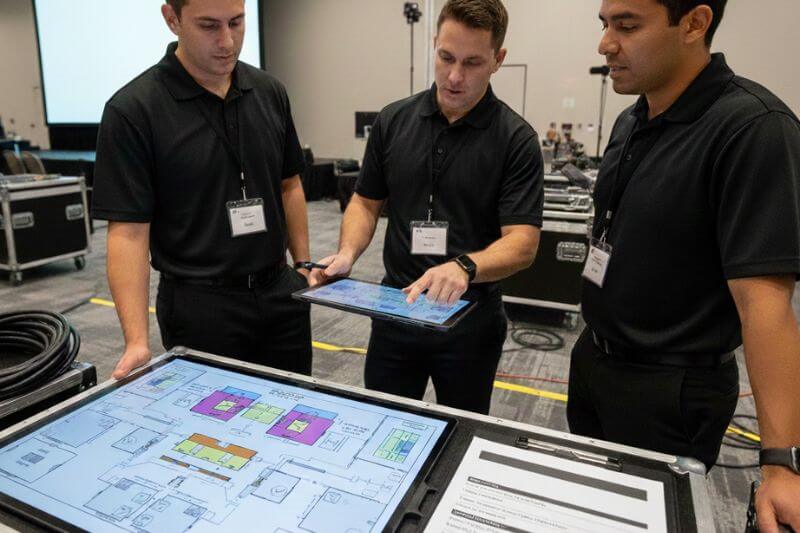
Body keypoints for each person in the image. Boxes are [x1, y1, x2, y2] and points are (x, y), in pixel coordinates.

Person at [571, 0, 800, 528]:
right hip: (595, 362)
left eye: (627, 26)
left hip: (669, 390)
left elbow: (765, 305)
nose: (606, 43)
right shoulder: (633, 118)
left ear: (695, 23)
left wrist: (782, 465)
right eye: (604, 25)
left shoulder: (753, 128)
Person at [310, 0, 543, 415]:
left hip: (469, 319)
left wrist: (464, 267)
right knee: (382, 427)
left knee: (459, 431)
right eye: (446, 57)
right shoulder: (393, 120)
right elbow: (365, 202)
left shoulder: (515, 139)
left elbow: (522, 243)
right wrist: (347, 252)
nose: (454, 76)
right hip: (397, 311)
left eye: (472, 62)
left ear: (498, 60)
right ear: (434, 44)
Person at [93, 0, 314, 380]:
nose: (227, 41)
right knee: (217, 434)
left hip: (280, 294)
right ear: (172, 19)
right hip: (201, 307)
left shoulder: (269, 91)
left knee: (293, 419)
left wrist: (304, 264)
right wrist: (135, 341)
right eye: (209, 26)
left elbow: (289, 184)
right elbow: (128, 234)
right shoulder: (133, 110)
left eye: (237, 22)